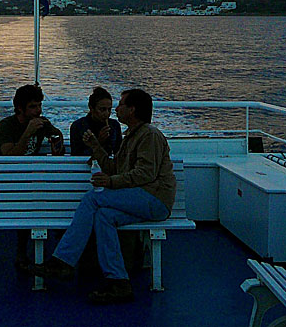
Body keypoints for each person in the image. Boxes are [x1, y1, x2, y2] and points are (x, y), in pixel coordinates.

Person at [30, 88, 176, 305]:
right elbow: (114, 167)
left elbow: (146, 173)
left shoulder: (149, 135)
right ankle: (119, 282)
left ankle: (64, 262)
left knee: (93, 199)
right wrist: (96, 146)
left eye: (120, 104)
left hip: (154, 199)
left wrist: (110, 182)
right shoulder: (131, 136)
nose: (116, 109)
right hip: (143, 199)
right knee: (104, 216)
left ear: (132, 109)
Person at [0, 84, 65, 272]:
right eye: (33, 107)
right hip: (4, 181)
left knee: (61, 195)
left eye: (39, 105)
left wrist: (56, 139)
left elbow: (57, 136)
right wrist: (28, 133)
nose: (38, 111)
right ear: (20, 108)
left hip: (30, 179)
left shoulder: (42, 123)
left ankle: (61, 248)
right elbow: (9, 158)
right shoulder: (6, 126)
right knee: (28, 198)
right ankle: (22, 253)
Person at [69, 86, 122, 156]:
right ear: (91, 108)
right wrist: (98, 142)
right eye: (102, 109)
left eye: (109, 109)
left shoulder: (114, 125)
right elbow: (77, 154)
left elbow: (119, 152)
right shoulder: (78, 126)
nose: (106, 113)